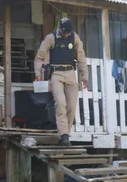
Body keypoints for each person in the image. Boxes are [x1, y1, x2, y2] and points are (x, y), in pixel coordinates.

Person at [34, 17, 88, 146]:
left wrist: (84, 76)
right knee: (60, 102)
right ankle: (64, 135)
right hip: (56, 73)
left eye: (69, 32)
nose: (67, 35)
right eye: (65, 32)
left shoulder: (75, 38)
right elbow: (39, 57)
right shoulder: (51, 38)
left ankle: (65, 134)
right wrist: (38, 74)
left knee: (72, 106)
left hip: (70, 73)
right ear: (61, 30)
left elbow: (81, 58)